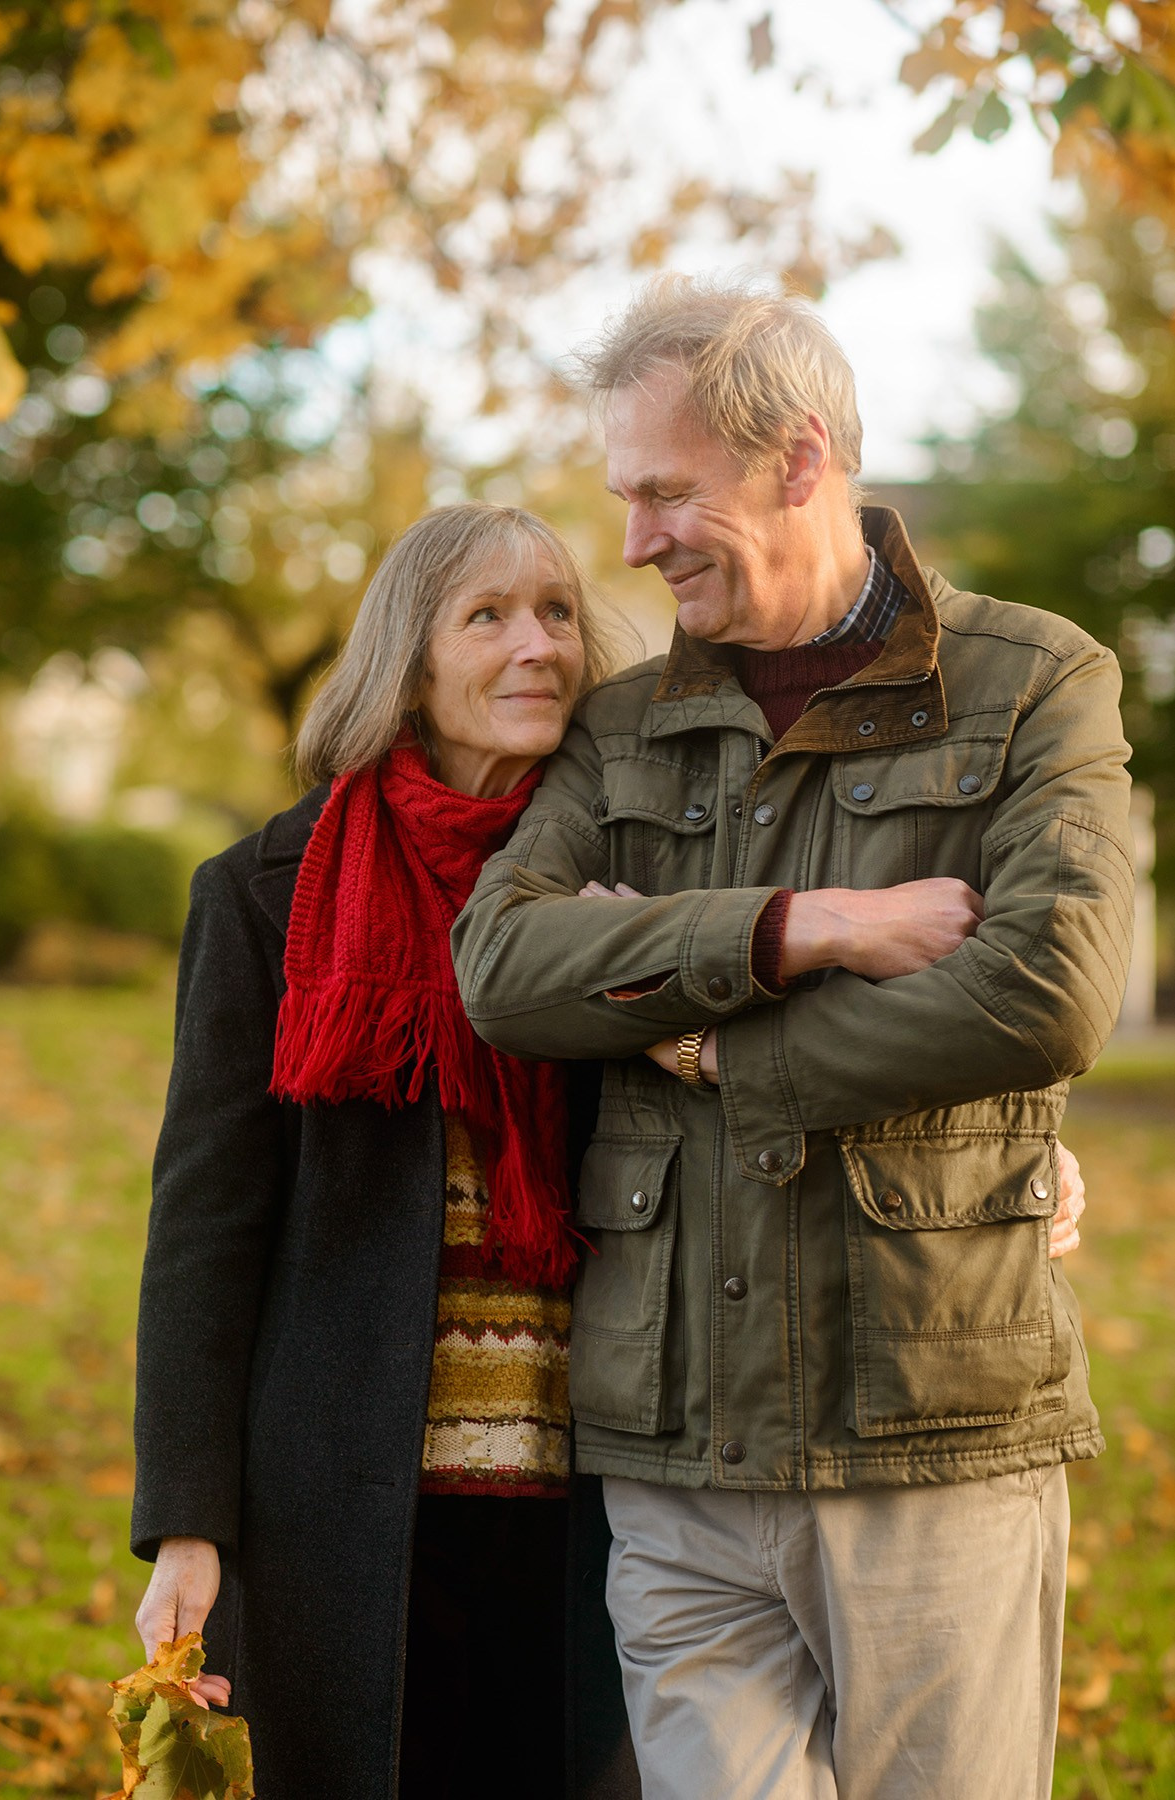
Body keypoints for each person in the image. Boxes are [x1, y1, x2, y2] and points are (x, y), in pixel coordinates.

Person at [452, 277, 1129, 1800]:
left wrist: (696, 1047)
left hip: (929, 1429)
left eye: (664, 492)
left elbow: (1047, 990)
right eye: (623, 497)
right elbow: (500, 965)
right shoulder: (619, 727)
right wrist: (791, 930)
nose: (629, 542)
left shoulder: (1032, 684)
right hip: (672, 1448)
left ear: (799, 460)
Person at [129, 503, 642, 1800]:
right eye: (488, 617)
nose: (538, 646)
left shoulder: (626, 886)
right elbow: (206, 1218)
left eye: (558, 612)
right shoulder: (263, 891)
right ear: (407, 662)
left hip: (600, 1491)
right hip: (340, 1505)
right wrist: (188, 1523)